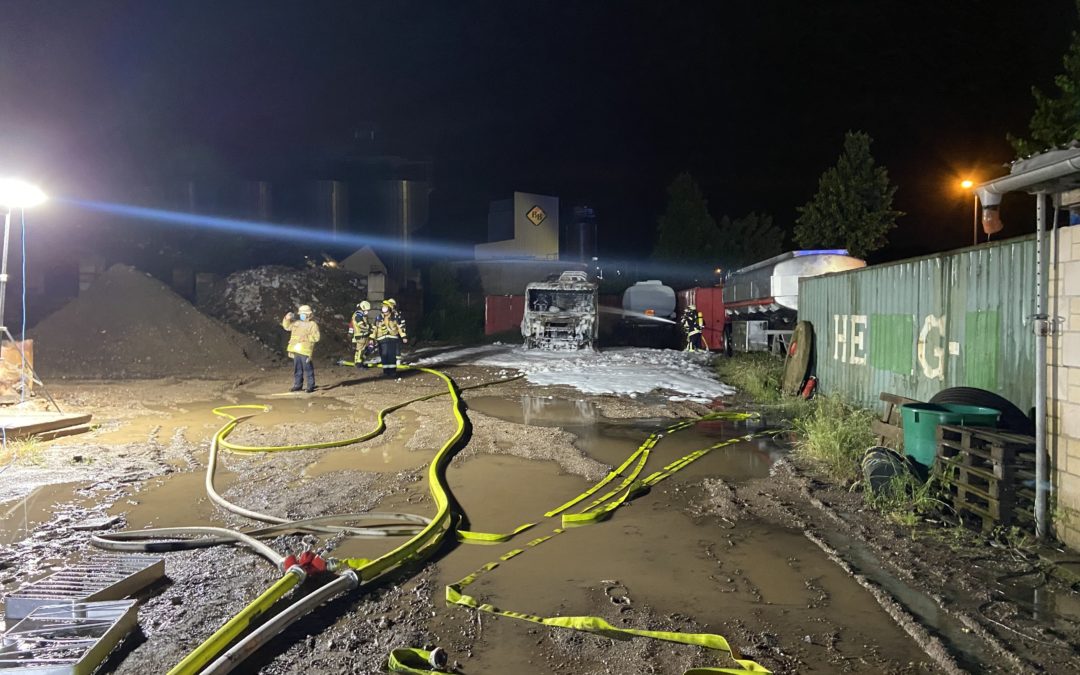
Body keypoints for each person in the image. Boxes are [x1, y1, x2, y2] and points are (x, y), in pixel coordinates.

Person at [282, 304, 321, 392]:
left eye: (303, 314)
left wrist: (306, 338)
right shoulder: (297, 323)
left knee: (308, 369)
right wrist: (286, 319)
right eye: (301, 314)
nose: (302, 315)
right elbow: (287, 327)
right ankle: (298, 385)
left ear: (309, 315)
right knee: (298, 369)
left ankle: (310, 385)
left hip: (305, 351)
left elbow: (316, 337)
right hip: (296, 350)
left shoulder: (312, 325)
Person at [369, 299, 408, 378]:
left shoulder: (395, 317)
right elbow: (374, 328)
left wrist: (403, 336)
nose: (385, 313)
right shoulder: (378, 318)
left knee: (391, 355)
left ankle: (392, 372)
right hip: (381, 339)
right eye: (383, 311)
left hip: (392, 339)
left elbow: (400, 327)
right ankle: (386, 371)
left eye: (386, 311)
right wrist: (371, 338)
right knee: (384, 355)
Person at [348, 300, 376, 365]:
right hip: (360, 335)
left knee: (369, 347)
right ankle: (358, 362)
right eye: (367, 310)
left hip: (364, 335)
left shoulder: (361, 315)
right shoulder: (358, 315)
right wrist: (370, 328)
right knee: (360, 349)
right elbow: (361, 325)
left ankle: (361, 360)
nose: (367, 312)